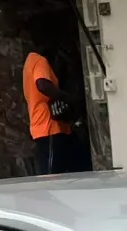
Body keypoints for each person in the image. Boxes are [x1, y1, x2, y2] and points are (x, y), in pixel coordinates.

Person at [23, 44, 91, 175]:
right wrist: (69, 99)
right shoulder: (39, 60)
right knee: (52, 177)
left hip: (53, 128)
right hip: (48, 128)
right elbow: (42, 85)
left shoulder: (31, 61)